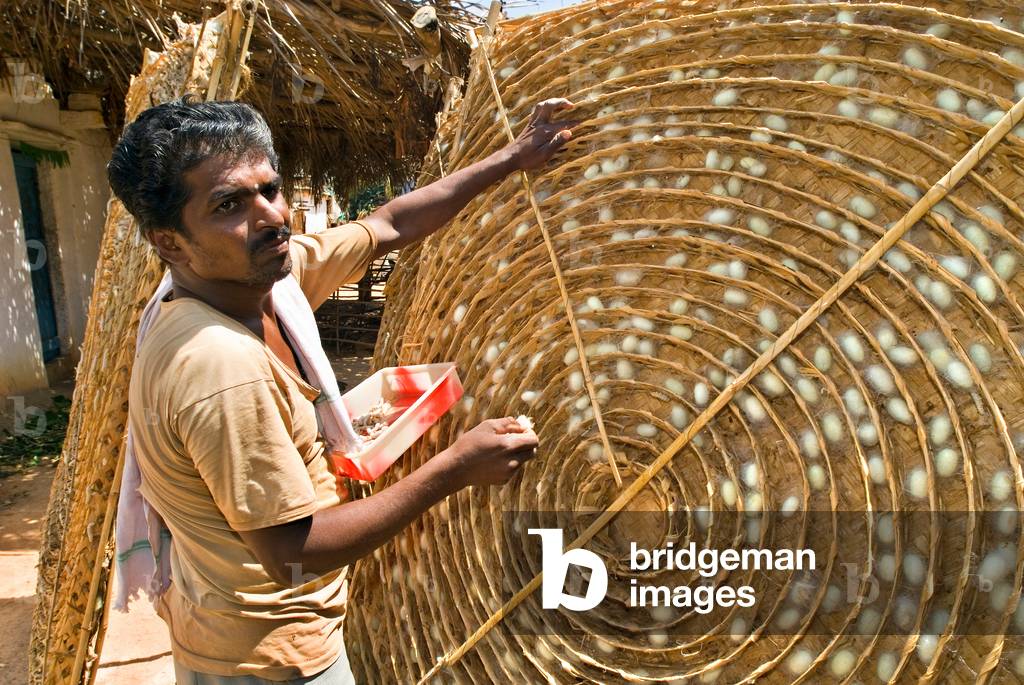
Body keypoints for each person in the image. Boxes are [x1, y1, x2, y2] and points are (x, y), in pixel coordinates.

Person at [108, 95, 576, 683]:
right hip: (269, 654)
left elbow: (388, 225)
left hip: (244, 627)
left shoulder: (268, 282)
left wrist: (512, 157)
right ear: (169, 241)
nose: (271, 216)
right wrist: (458, 467)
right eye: (229, 203)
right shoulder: (220, 365)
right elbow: (291, 552)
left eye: (269, 189)